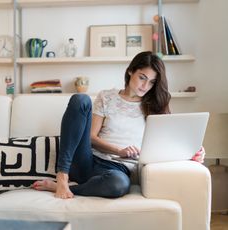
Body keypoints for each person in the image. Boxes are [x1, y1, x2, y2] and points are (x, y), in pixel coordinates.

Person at [32, 51, 205, 199]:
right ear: (130, 71)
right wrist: (118, 150)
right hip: (87, 160)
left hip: (117, 170)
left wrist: (191, 152)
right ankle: (62, 177)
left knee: (119, 185)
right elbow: (91, 137)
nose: (145, 86)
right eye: (142, 78)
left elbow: (167, 145)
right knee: (80, 99)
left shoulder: (156, 106)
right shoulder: (107, 96)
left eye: (152, 82)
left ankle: (63, 188)